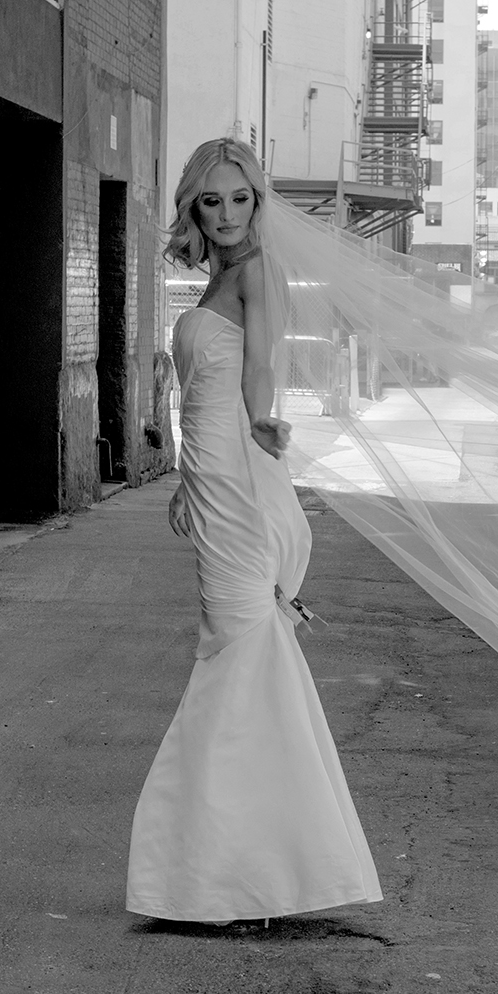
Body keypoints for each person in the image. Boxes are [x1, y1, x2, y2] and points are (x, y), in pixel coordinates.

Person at [125, 139, 382, 923]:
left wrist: (268, 420)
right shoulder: (218, 276)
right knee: (239, 650)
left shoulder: (259, 271)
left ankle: (235, 874)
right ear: (194, 207)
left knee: (238, 653)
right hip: (213, 484)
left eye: (241, 199)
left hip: (244, 480)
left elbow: (261, 367)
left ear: (258, 202)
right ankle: (258, 869)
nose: (229, 215)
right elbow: (204, 392)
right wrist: (185, 483)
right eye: (213, 201)